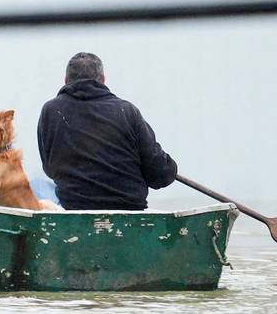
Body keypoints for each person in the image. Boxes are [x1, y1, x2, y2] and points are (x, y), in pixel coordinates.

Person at [37, 52, 177, 211]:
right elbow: (160, 174)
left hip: (74, 213)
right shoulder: (127, 112)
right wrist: (171, 168)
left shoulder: (51, 111)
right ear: (103, 80)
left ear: (66, 81)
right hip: (131, 215)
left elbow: (50, 169)